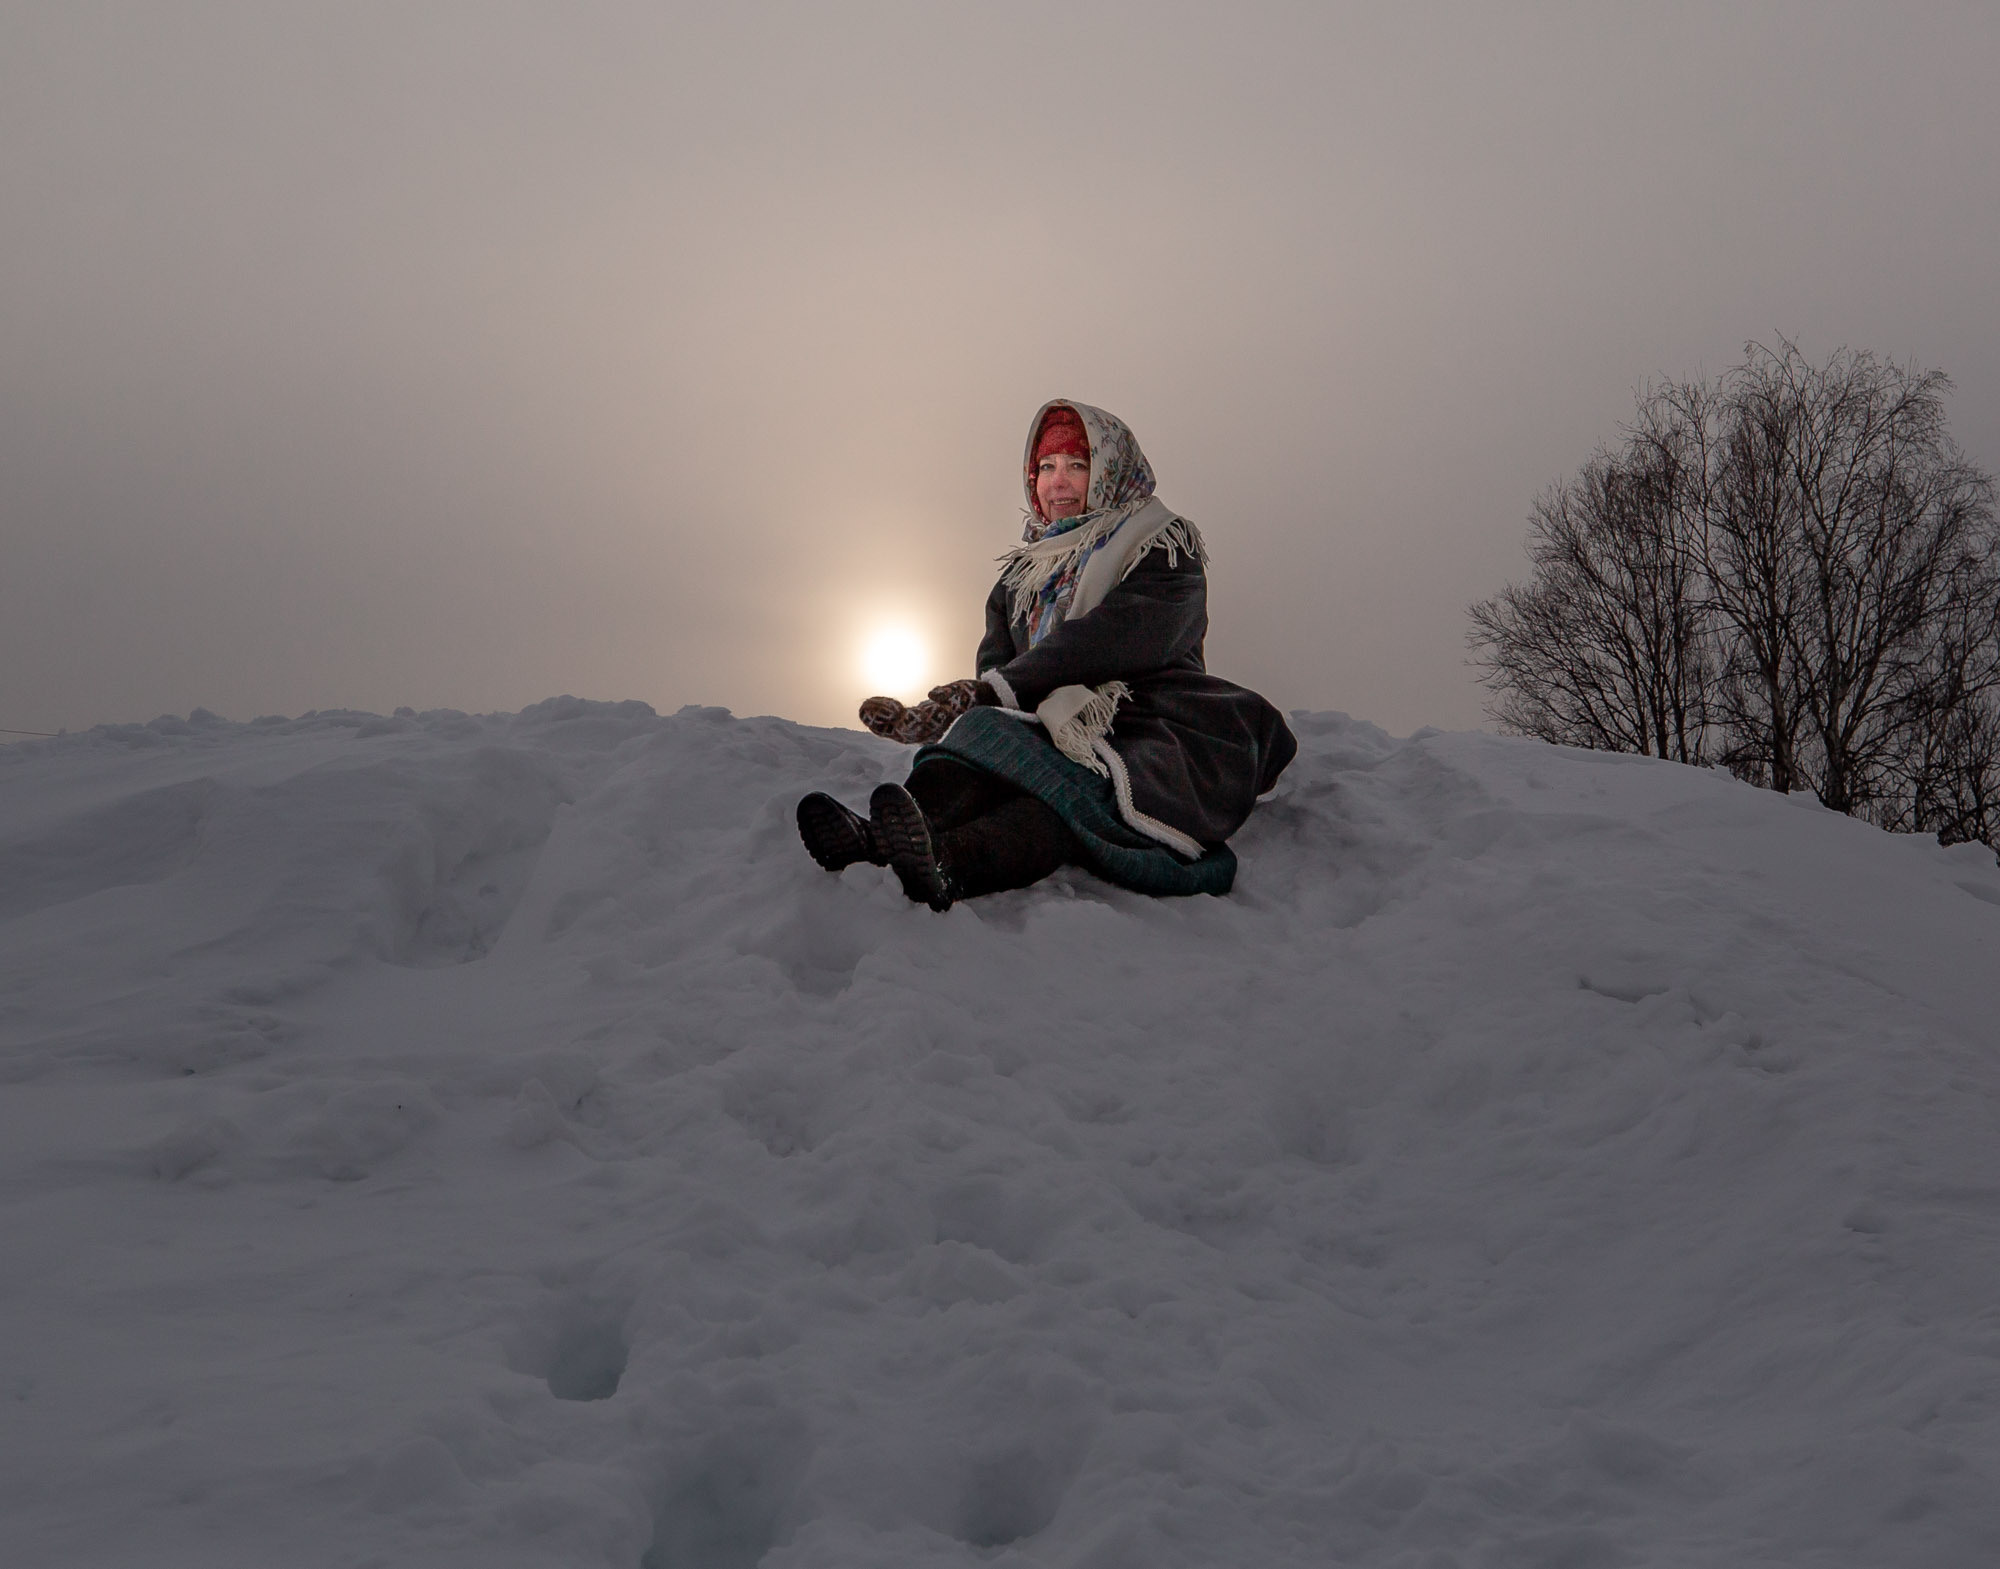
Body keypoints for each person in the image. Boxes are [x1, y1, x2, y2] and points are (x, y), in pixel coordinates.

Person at [796, 399, 1296, 910]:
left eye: (1078, 466)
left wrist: (992, 690)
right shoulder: (1023, 577)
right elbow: (997, 662)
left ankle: (948, 863)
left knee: (1056, 799)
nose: (1058, 482)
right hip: (1052, 726)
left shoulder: (1162, 547)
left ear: (1110, 471)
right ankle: (881, 840)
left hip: (1144, 725)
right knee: (980, 735)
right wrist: (965, 702)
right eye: (1046, 468)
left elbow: (1117, 636)